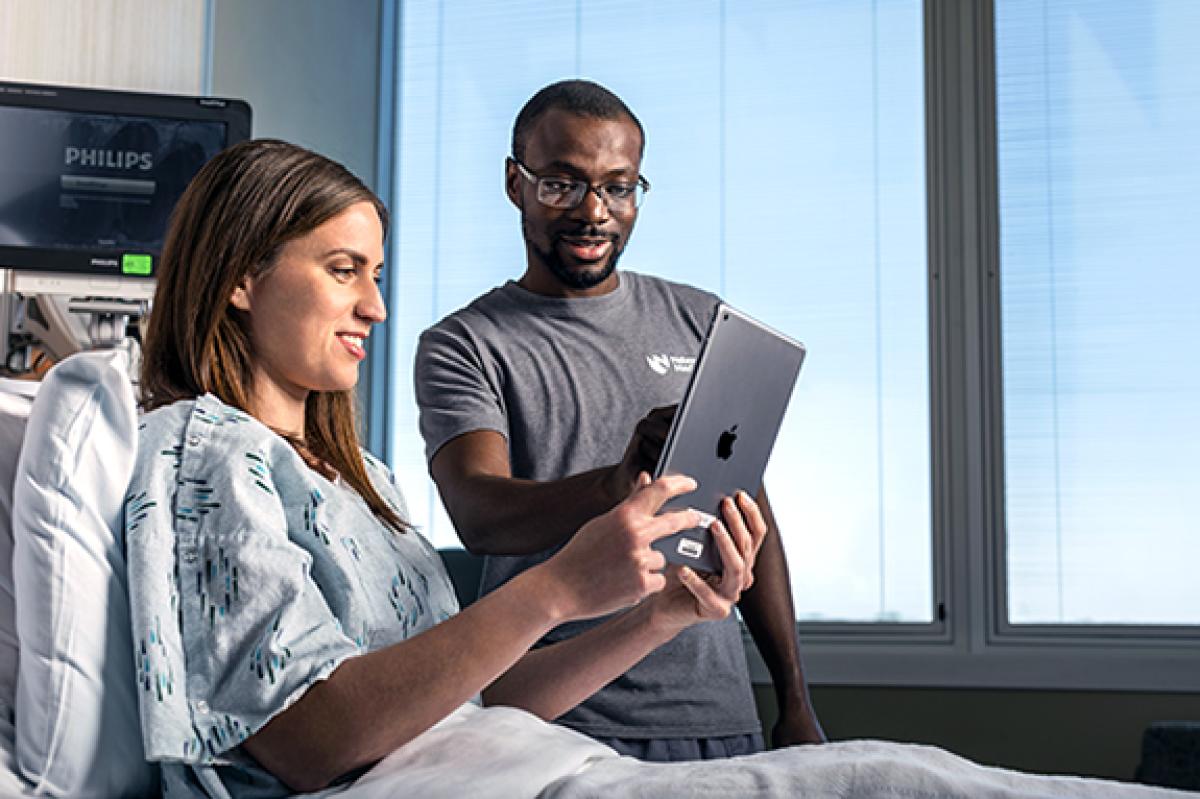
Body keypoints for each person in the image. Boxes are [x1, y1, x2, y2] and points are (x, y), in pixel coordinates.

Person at [125, 138, 769, 797]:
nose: (375, 306)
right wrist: (559, 587)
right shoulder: (205, 453)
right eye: (344, 269)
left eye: (375, 275)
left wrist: (662, 615)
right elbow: (304, 741)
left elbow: (469, 703)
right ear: (240, 278)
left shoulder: (365, 480)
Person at [415, 79, 825, 761]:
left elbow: (747, 508)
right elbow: (479, 512)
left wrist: (794, 701)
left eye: (619, 187)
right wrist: (614, 487)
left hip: (720, 716)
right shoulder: (467, 342)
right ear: (515, 184)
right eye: (561, 185)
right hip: (555, 723)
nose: (593, 212)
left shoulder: (699, 320)